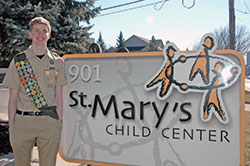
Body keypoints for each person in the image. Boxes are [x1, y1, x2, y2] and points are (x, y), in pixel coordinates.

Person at [3, 17, 67, 166]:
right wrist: (12, 126)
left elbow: (59, 96)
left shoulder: (57, 62)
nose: (41, 34)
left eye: (44, 31)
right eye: (36, 30)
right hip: (22, 123)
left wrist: (58, 122)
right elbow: (13, 98)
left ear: (49, 35)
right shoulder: (19, 61)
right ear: (30, 34)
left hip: (49, 122)